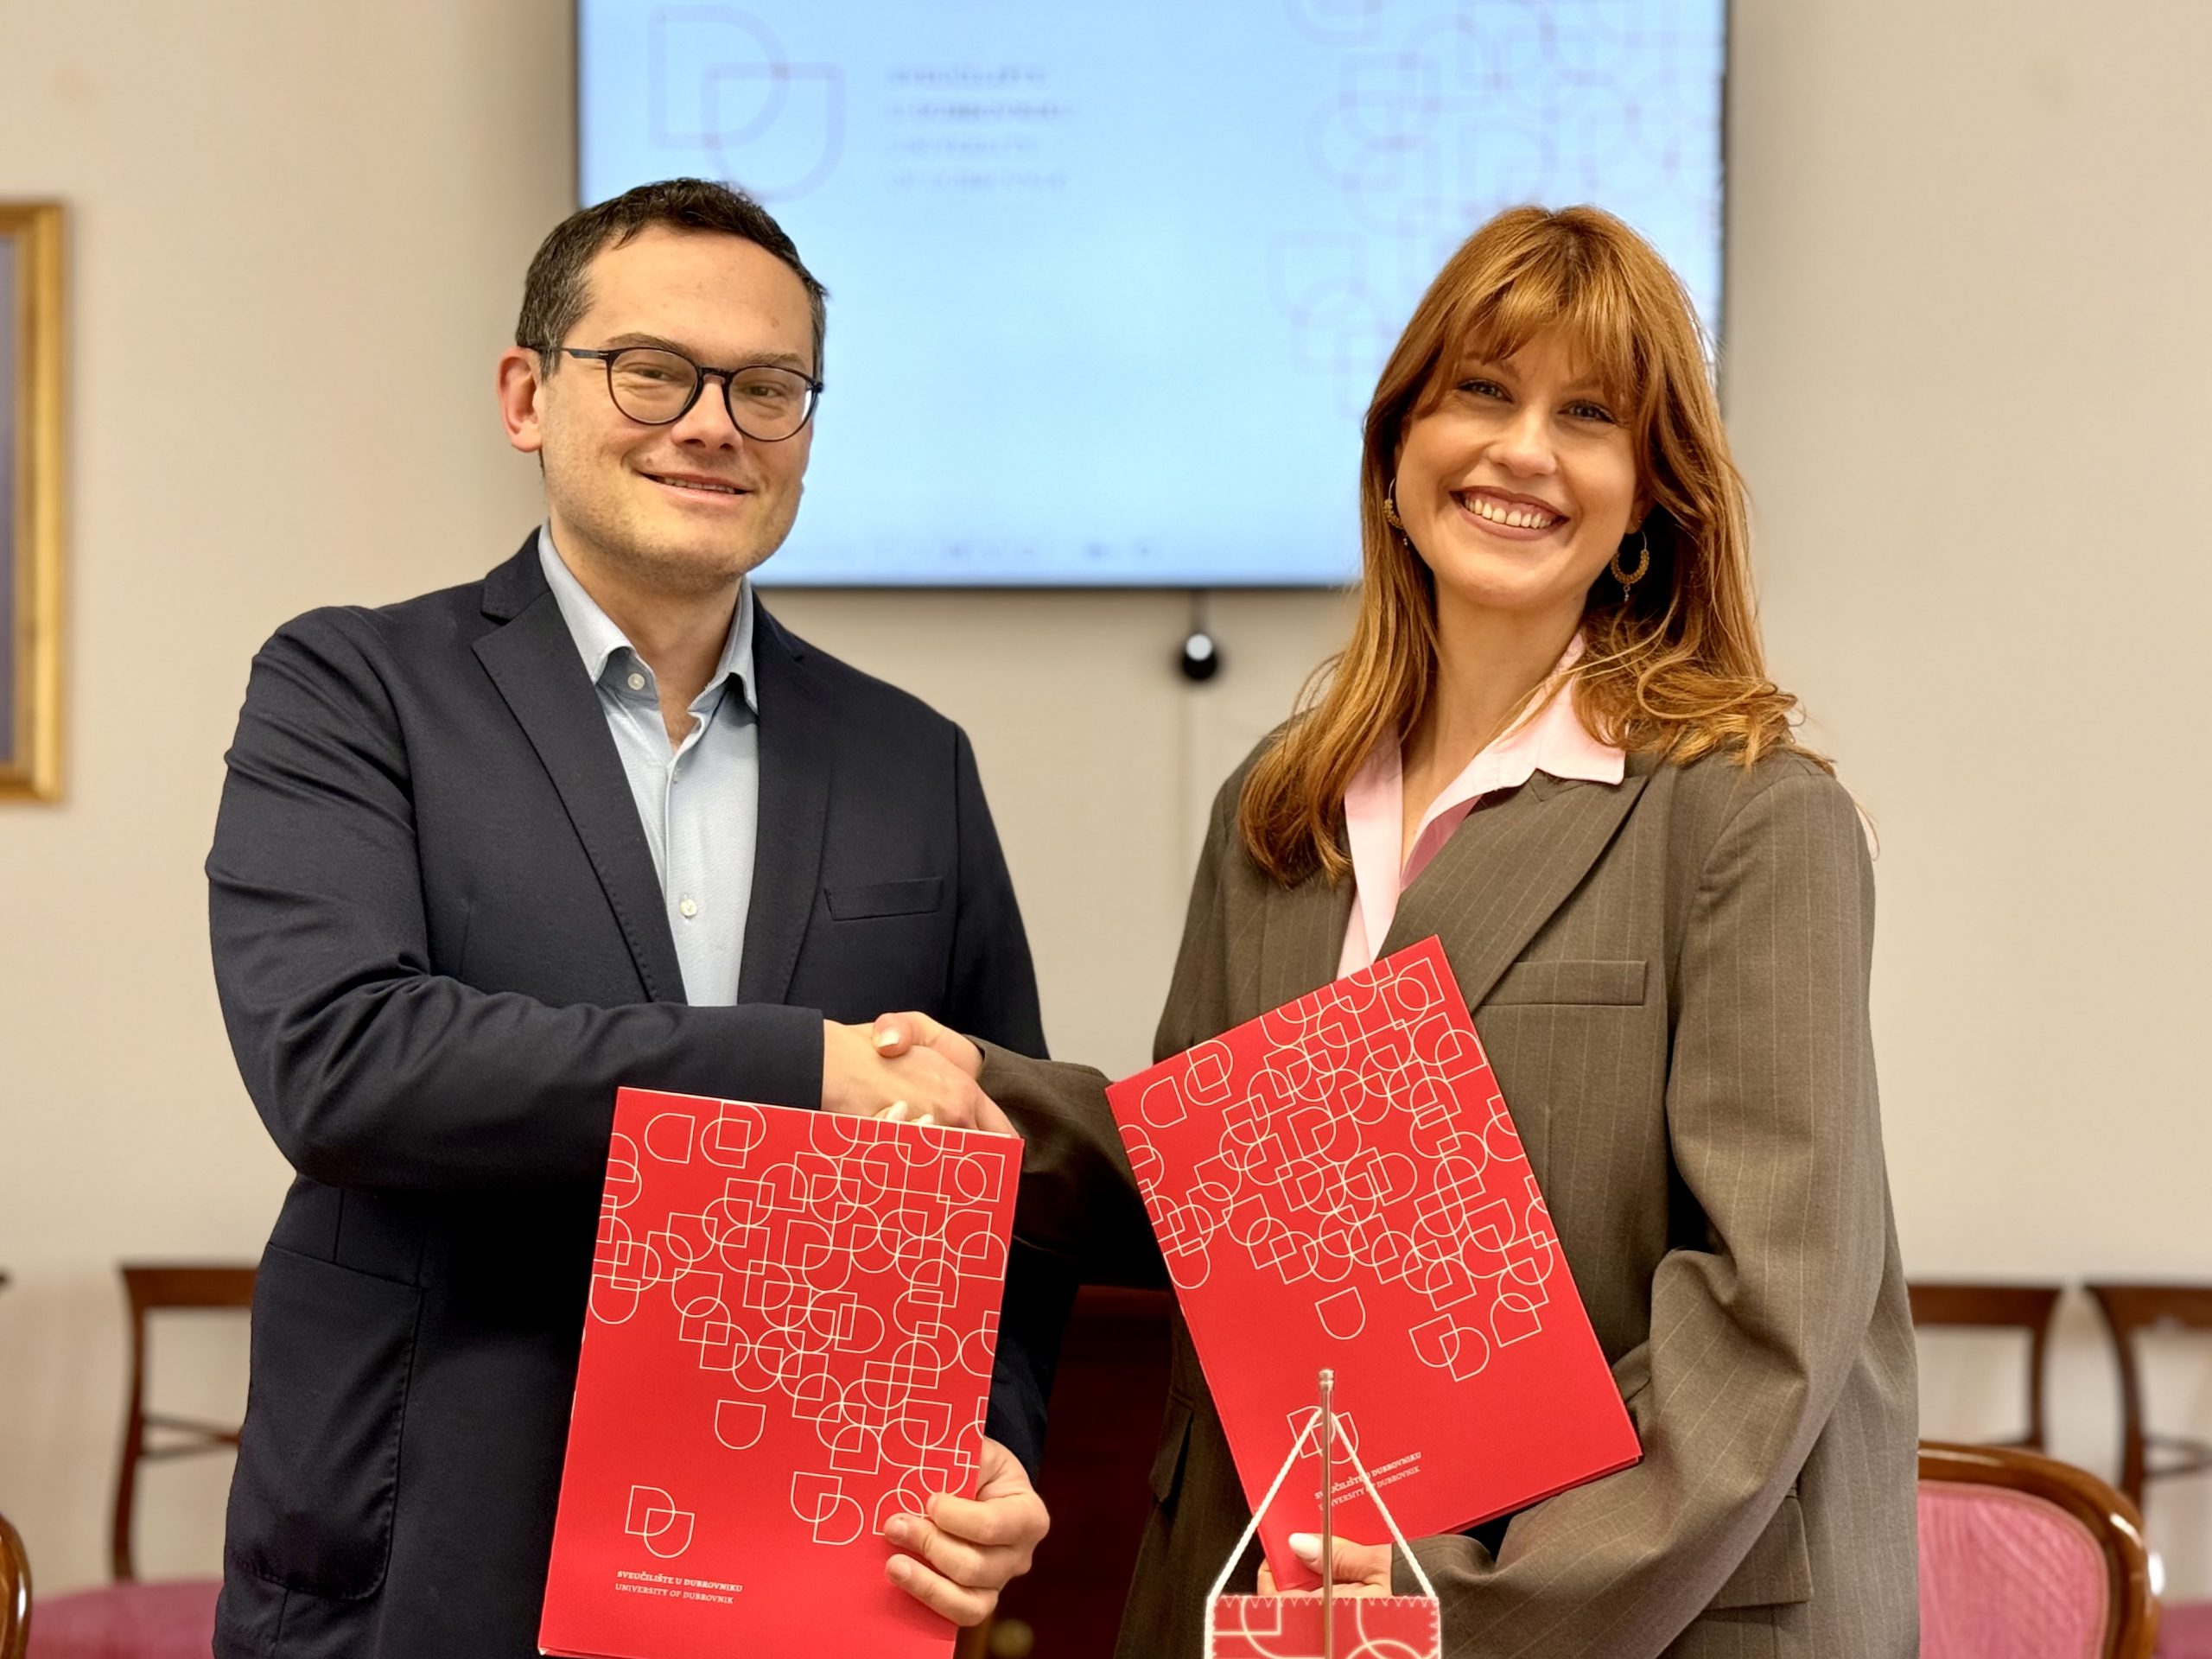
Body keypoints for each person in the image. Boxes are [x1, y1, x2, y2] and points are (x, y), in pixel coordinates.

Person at [875, 205, 1918, 1657]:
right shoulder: (1279, 808)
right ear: (1396, 452)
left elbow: (1770, 1313)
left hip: (1597, 1614)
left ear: (1650, 497)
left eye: (1589, 416)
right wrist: (975, 1098)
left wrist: (1462, 1596)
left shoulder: (1748, 817)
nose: (1523, 451)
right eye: (1481, 391)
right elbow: (1217, 1192)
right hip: (1264, 1577)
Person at [205, 178, 1052, 1658]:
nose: (714, 424)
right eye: (652, 371)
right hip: (421, 1562)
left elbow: (1002, 1173)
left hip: (802, 1570)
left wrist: (1001, 1446)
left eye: (768, 386)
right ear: (528, 396)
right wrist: (804, 1069)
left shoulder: (915, 761)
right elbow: (340, 1064)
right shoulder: (352, 690)